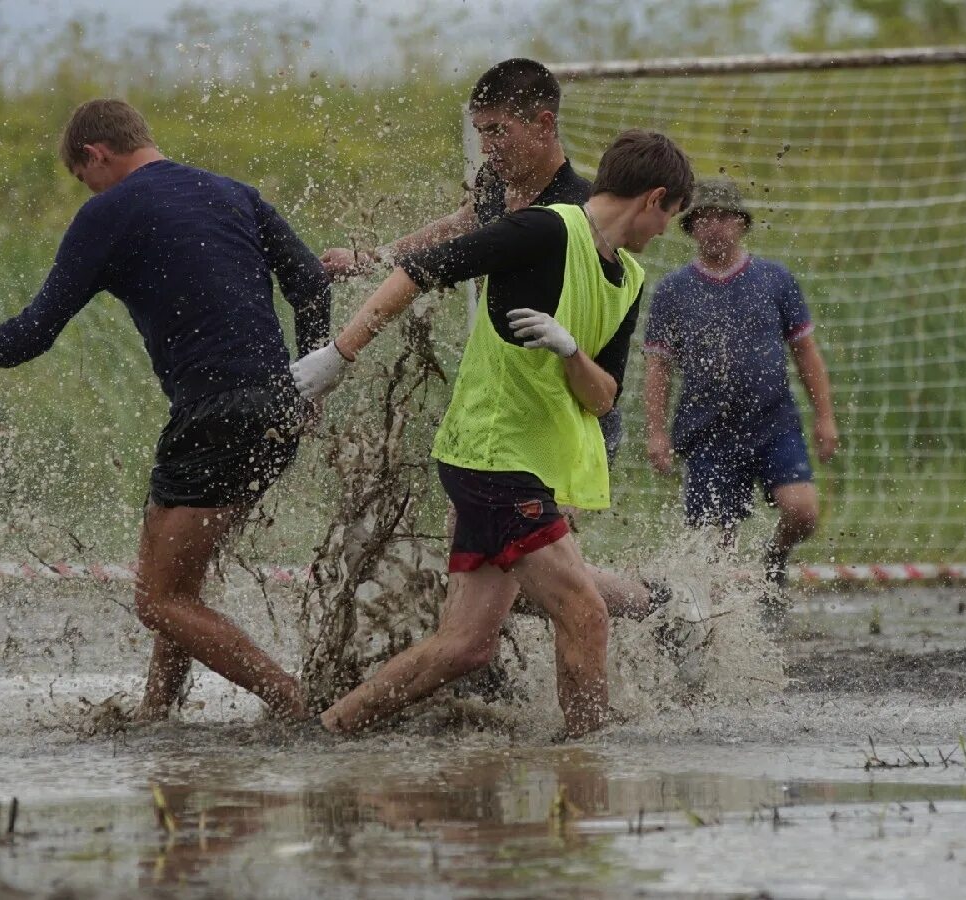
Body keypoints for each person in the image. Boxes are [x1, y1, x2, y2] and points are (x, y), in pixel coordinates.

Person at [0, 99, 330, 722]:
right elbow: (312, 283)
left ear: (96, 155)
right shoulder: (232, 193)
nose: (89, 187)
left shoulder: (106, 213)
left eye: (84, 177)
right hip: (276, 409)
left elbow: (31, 336)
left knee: (159, 600)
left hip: (213, 416)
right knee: (176, 583)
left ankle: (298, 705)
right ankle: (156, 715)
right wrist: (309, 381)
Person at [293, 130, 695, 737]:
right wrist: (339, 355)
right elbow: (419, 270)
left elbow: (603, 396)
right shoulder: (544, 229)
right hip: (494, 458)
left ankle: (326, 728)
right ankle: (585, 765)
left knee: (464, 646)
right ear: (654, 198)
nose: (666, 232)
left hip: (528, 465)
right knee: (584, 613)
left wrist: (569, 351)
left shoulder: (631, 277)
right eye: (670, 216)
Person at [322, 57, 683, 631]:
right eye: (481, 130)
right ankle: (502, 660)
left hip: (570, 408)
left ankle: (650, 610)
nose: (486, 145)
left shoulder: (579, 208)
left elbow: (609, 309)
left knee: (535, 576)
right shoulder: (497, 183)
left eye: (498, 131)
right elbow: (461, 226)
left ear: (543, 124)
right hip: (510, 414)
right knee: (497, 567)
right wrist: (372, 259)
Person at [643, 178, 839, 616]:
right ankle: (727, 632)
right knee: (716, 548)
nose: (716, 226)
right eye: (706, 218)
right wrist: (656, 433)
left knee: (803, 511)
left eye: (725, 217)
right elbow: (658, 366)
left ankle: (774, 557)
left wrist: (824, 417)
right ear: (691, 226)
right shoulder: (673, 291)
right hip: (707, 432)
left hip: (774, 423)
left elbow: (805, 350)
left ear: (742, 224)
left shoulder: (775, 279)